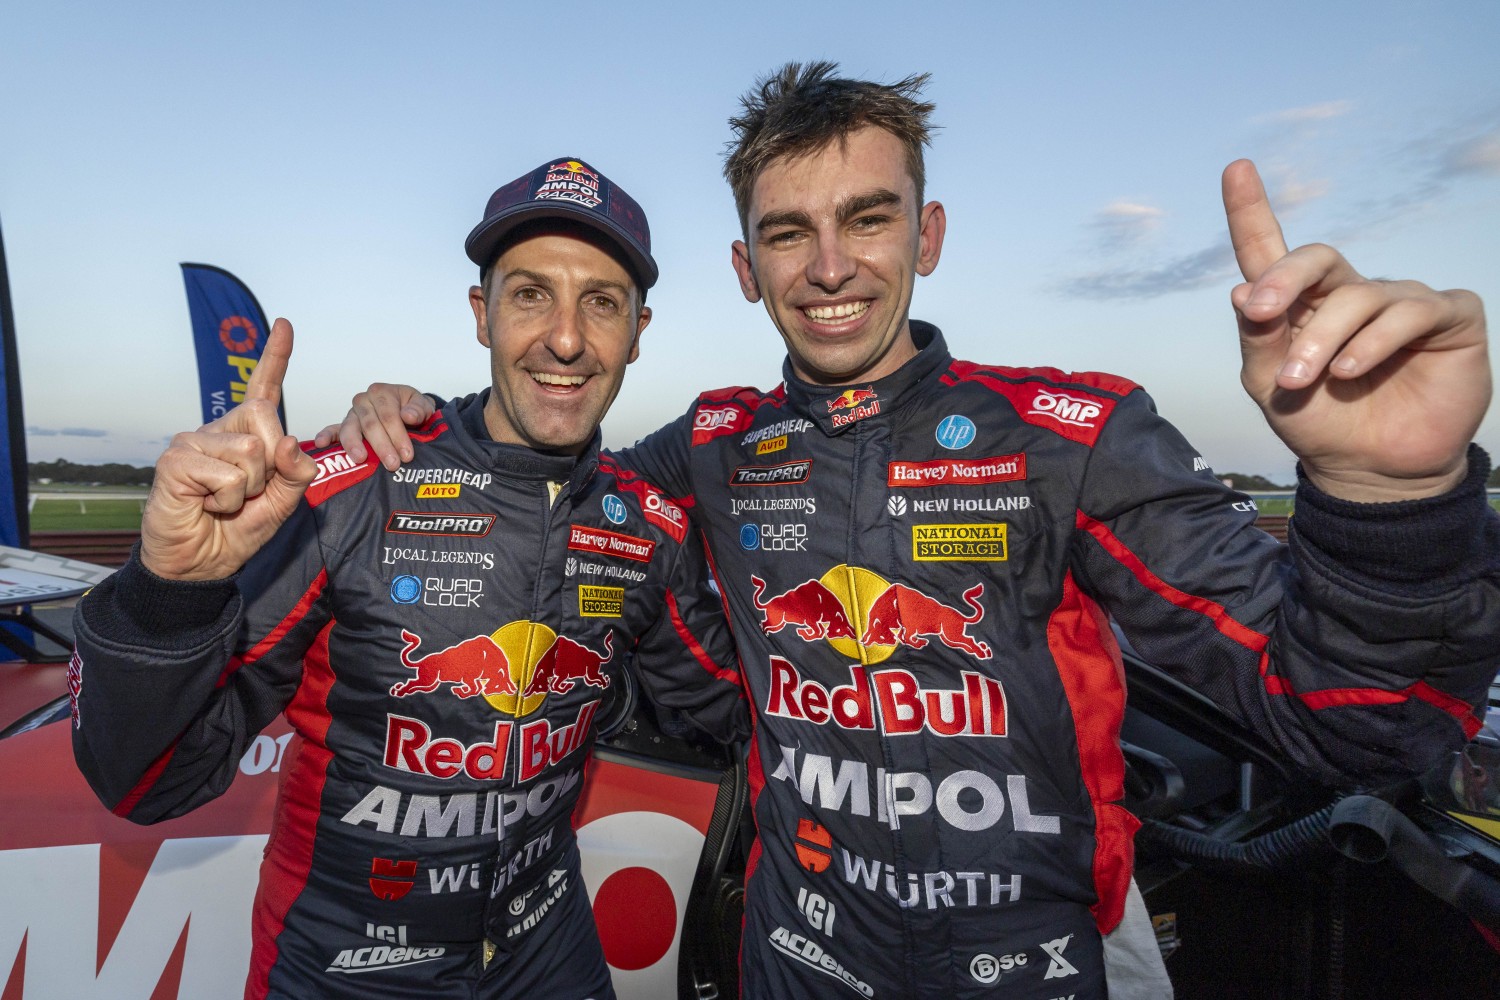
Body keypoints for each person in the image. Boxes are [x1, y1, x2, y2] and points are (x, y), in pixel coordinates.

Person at [330, 63, 1500, 1000]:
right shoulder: (714, 444)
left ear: (926, 234)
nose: (830, 266)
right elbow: (550, 474)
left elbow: (1358, 726)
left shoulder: (1073, 433)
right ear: (747, 267)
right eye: (788, 233)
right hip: (796, 959)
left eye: (867, 218)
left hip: (1057, 958)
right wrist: (415, 424)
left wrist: (1392, 500)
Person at [69, 157, 747, 1000]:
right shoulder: (350, 489)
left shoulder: (648, 527)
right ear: (482, 313)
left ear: (638, 332)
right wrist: (166, 591)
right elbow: (146, 780)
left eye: (600, 303)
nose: (565, 338)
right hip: (345, 969)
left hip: (549, 956)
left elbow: (743, 708)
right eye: (531, 293)